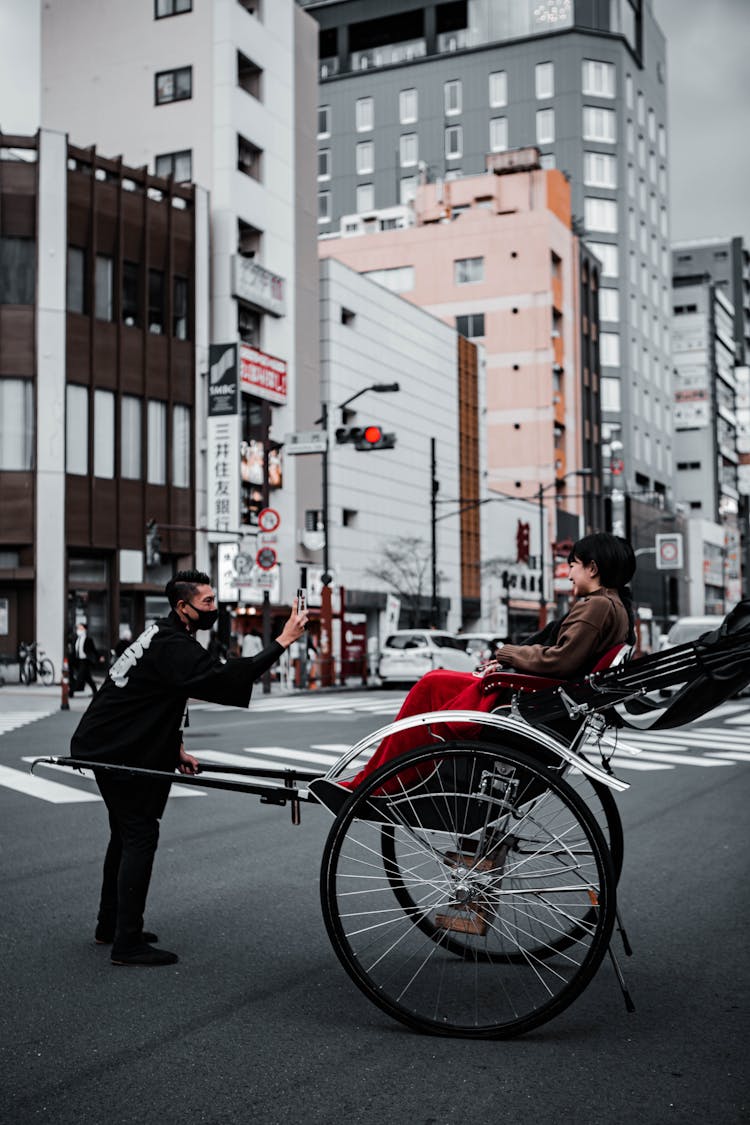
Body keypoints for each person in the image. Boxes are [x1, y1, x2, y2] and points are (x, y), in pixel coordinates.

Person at [70, 570, 308, 967]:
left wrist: (175, 747)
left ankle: (111, 925)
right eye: (208, 602)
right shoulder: (171, 644)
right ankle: (126, 943)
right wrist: (283, 640)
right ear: (183, 607)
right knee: (140, 834)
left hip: (110, 743)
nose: (215, 608)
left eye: (215, 599)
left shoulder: (164, 637)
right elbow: (224, 677)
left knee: (124, 835)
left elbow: (159, 695)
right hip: (116, 750)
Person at [344, 533, 635, 789]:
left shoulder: (597, 606)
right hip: (549, 699)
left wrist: (507, 655)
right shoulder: (616, 607)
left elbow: (561, 661)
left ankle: (380, 779)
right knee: (438, 682)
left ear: (592, 569)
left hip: (536, 699)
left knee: (432, 682)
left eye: (573, 565)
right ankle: (390, 775)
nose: (569, 574)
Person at [70, 623, 99, 697]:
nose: (78, 630)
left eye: (81, 628)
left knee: (80, 677)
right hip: (78, 661)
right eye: (78, 628)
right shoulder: (77, 639)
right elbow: (74, 651)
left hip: (85, 661)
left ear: (85, 630)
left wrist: (99, 656)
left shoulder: (88, 639)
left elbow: (93, 649)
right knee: (88, 678)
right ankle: (95, 692)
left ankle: (71, 692)